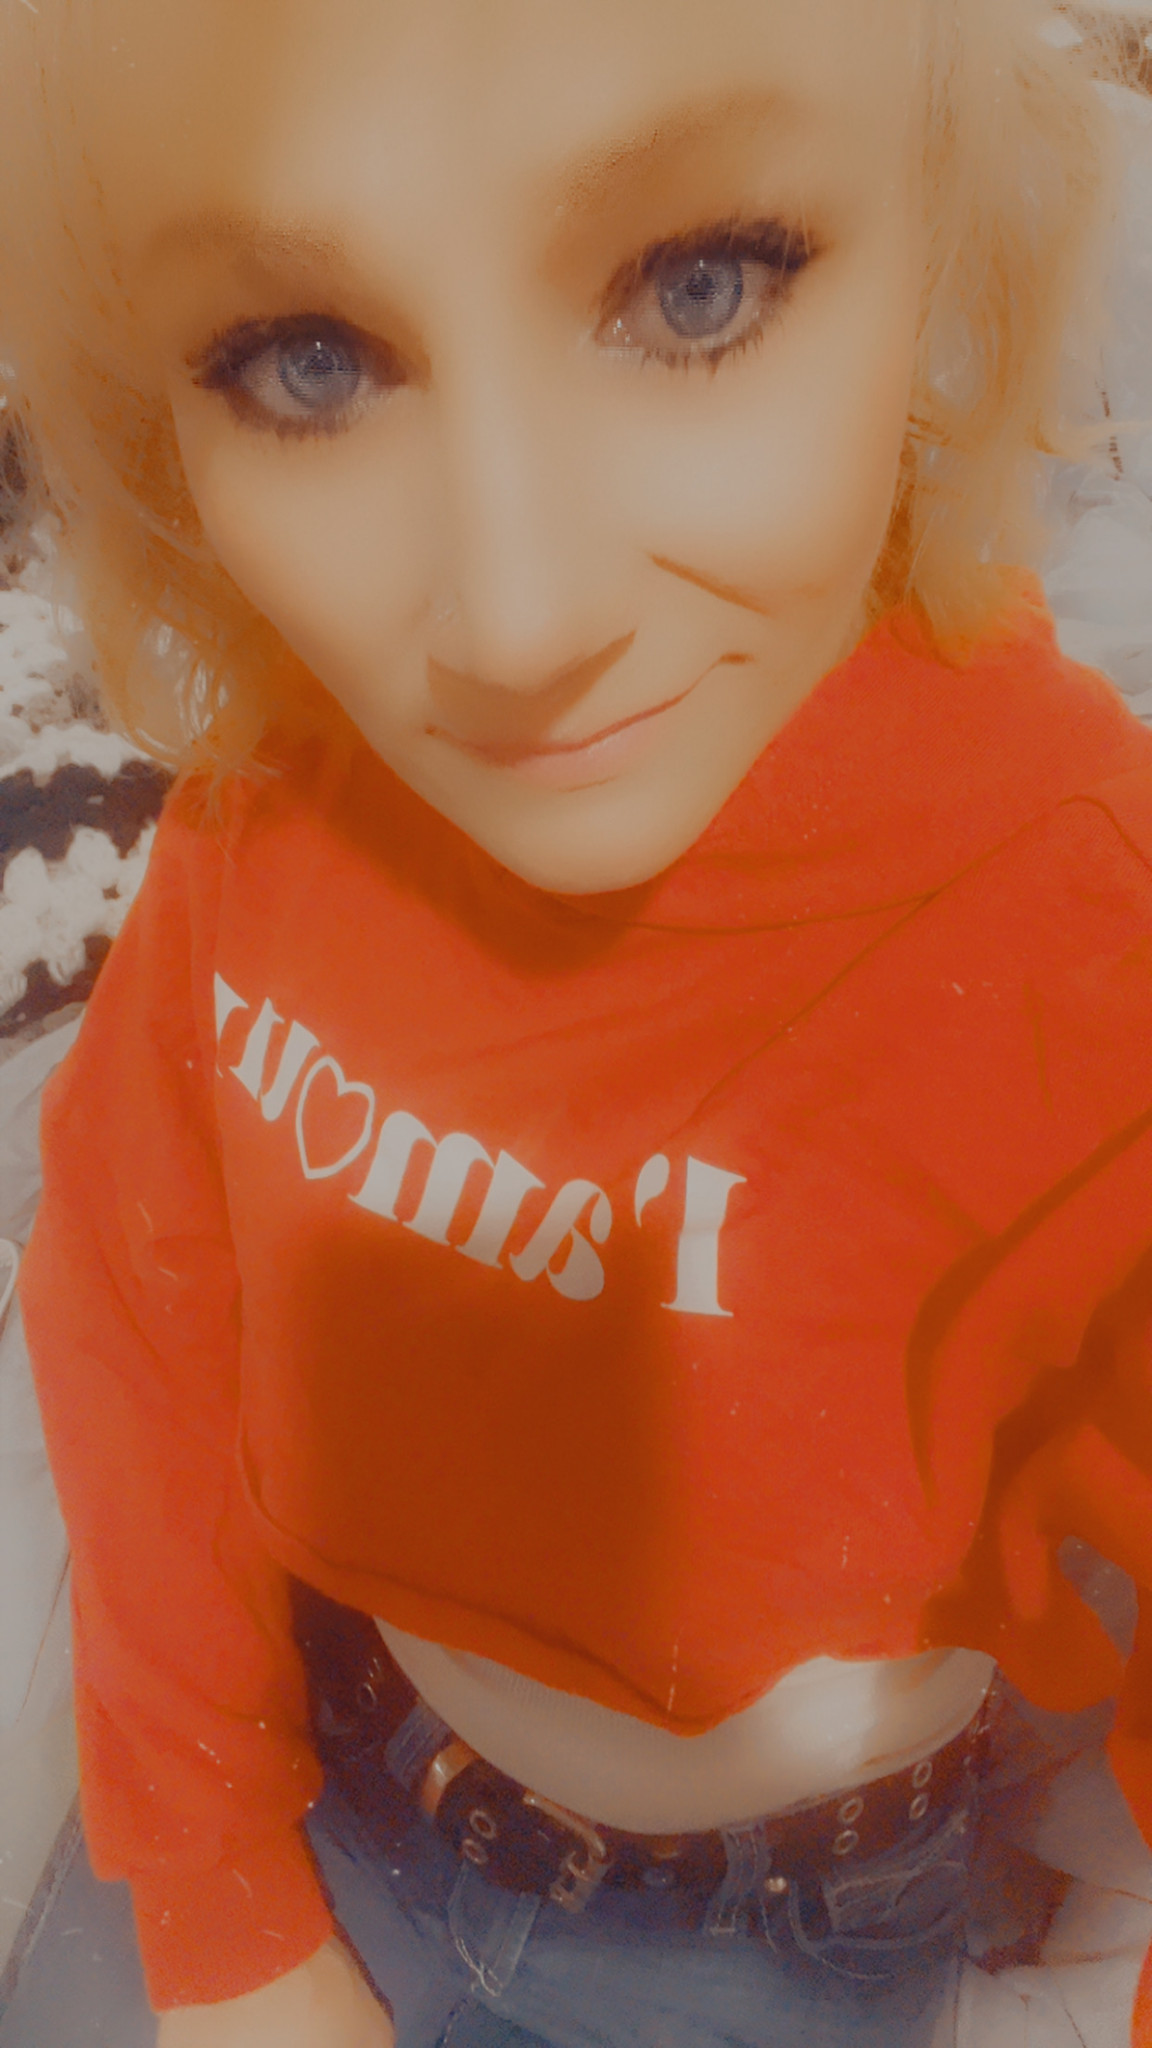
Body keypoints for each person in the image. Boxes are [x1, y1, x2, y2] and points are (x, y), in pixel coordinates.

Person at [2, 0, 1151, 2042]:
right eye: (305, 358)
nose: (516, 622)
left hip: (770, 1935)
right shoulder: (271, 817)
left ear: (949, 249)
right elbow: (133, 1319)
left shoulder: (1085, 923)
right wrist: (217, 1895)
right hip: (321, 1777)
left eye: (701, 285)